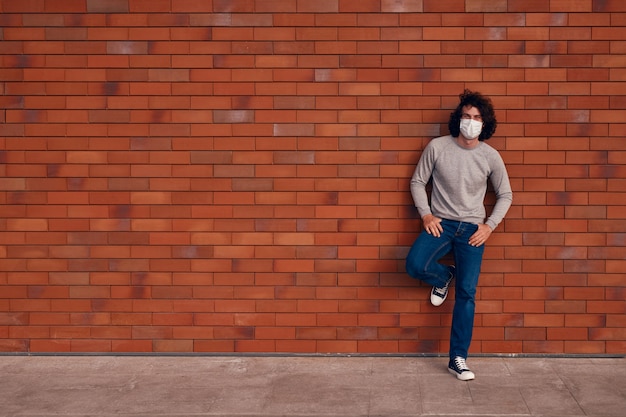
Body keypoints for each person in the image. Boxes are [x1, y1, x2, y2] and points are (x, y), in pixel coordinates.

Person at [405, 89, 513, 381]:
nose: (471, 121)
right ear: (458, 118)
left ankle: (458, 358)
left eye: (476, 117)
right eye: (466, 116)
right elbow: (418, 182)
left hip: (472, 231)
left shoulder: (490, 156)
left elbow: (505, 194)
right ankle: (443, 277)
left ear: (484, 123)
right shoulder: (438, 147)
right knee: (415, 265)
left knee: (467, 294)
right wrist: (426, 214)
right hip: (442, 224)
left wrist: (489, 226)